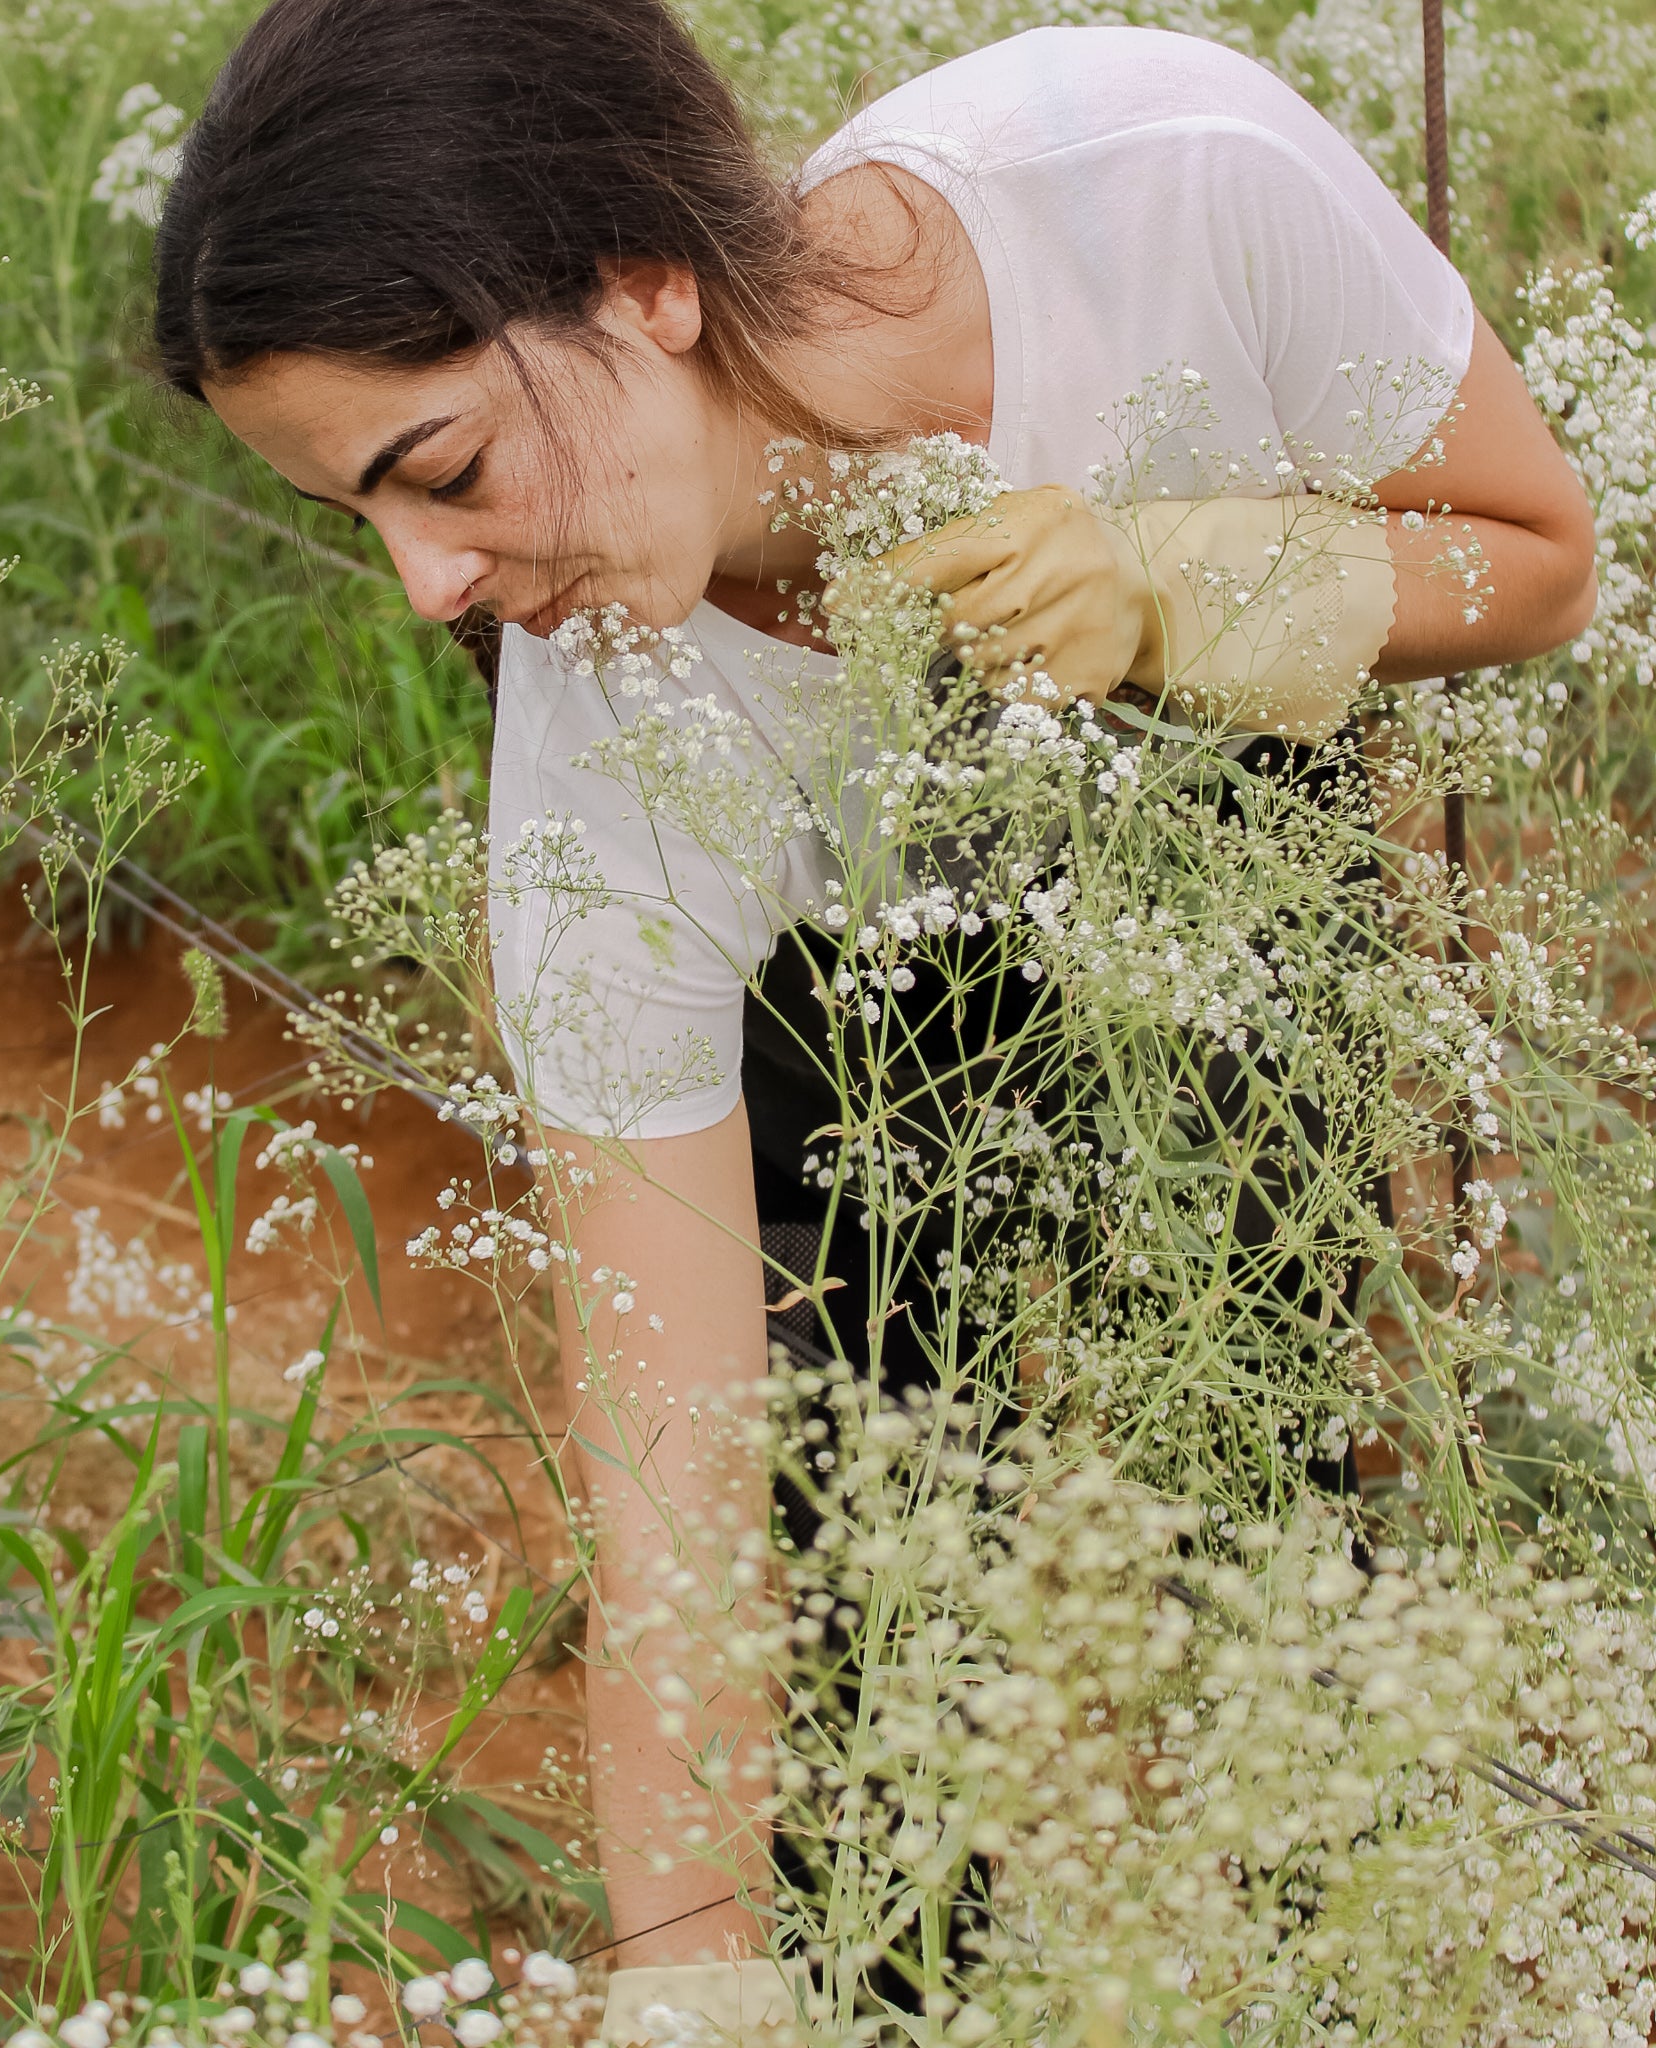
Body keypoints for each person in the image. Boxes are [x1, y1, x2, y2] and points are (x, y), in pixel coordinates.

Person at [153, 0, 1596, 2034]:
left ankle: (1320, 1970)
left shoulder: (1165, 172)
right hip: (839, 989)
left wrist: (1178, 591)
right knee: (855, 1554)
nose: (423, 586)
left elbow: (1541, 559)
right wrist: (693, 1988)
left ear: (645, 280)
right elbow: (675, 1502)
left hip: (1213, 840)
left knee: (1256, 1481)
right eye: (360, 517)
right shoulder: (608, 789)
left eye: (446, 468)